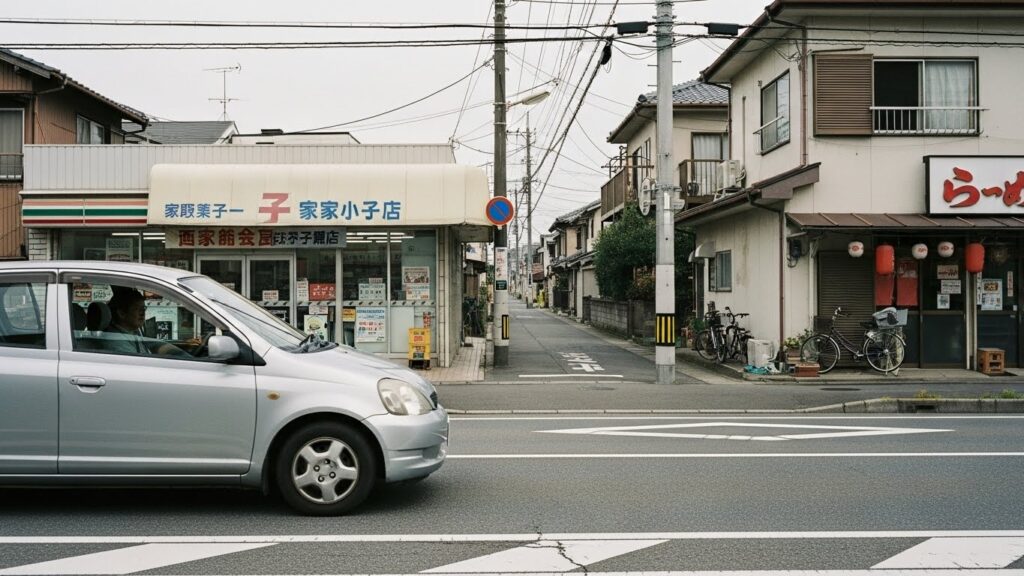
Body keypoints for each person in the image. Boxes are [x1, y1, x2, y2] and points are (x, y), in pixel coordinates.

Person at [105, 287, 187, 357]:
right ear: (122, 313)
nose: (143, 313)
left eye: (144, 308)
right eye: (137, 309)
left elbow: (154, 344)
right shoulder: (115, 342)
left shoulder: (132, 333)